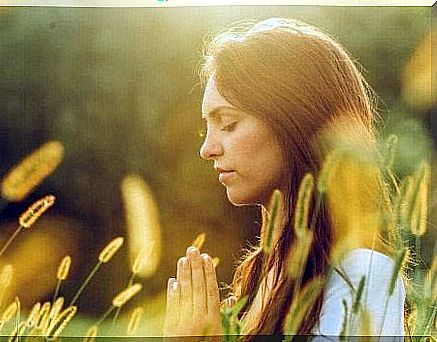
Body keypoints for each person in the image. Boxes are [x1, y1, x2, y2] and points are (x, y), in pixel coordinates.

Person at [163, 18, 406, 339]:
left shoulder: (361, 275)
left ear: (294, 122)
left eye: (228, 123)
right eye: (206, 127)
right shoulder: (258, 278)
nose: (207, 148)